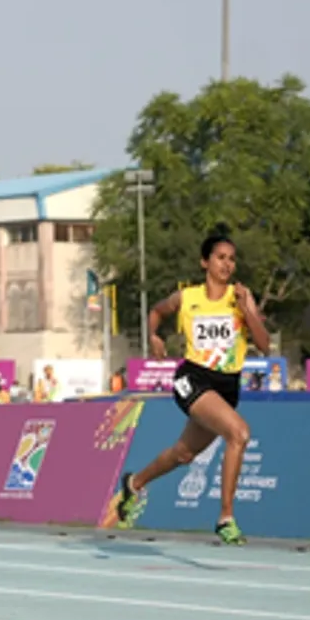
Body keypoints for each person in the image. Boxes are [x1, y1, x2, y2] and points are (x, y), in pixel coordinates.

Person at [115, 231, 271, 545]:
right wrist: (154, 337)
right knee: (238, 433)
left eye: (232, 258)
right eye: (220, 257)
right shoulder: (187, 298)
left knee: (184, 453)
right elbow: (156, 311)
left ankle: (134, 483)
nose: (227, 264)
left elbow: (265, 346)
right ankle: (226, 517)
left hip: (226, 387)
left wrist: (247, 310)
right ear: (205, 262)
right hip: (193, 379)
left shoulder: (241, 297)